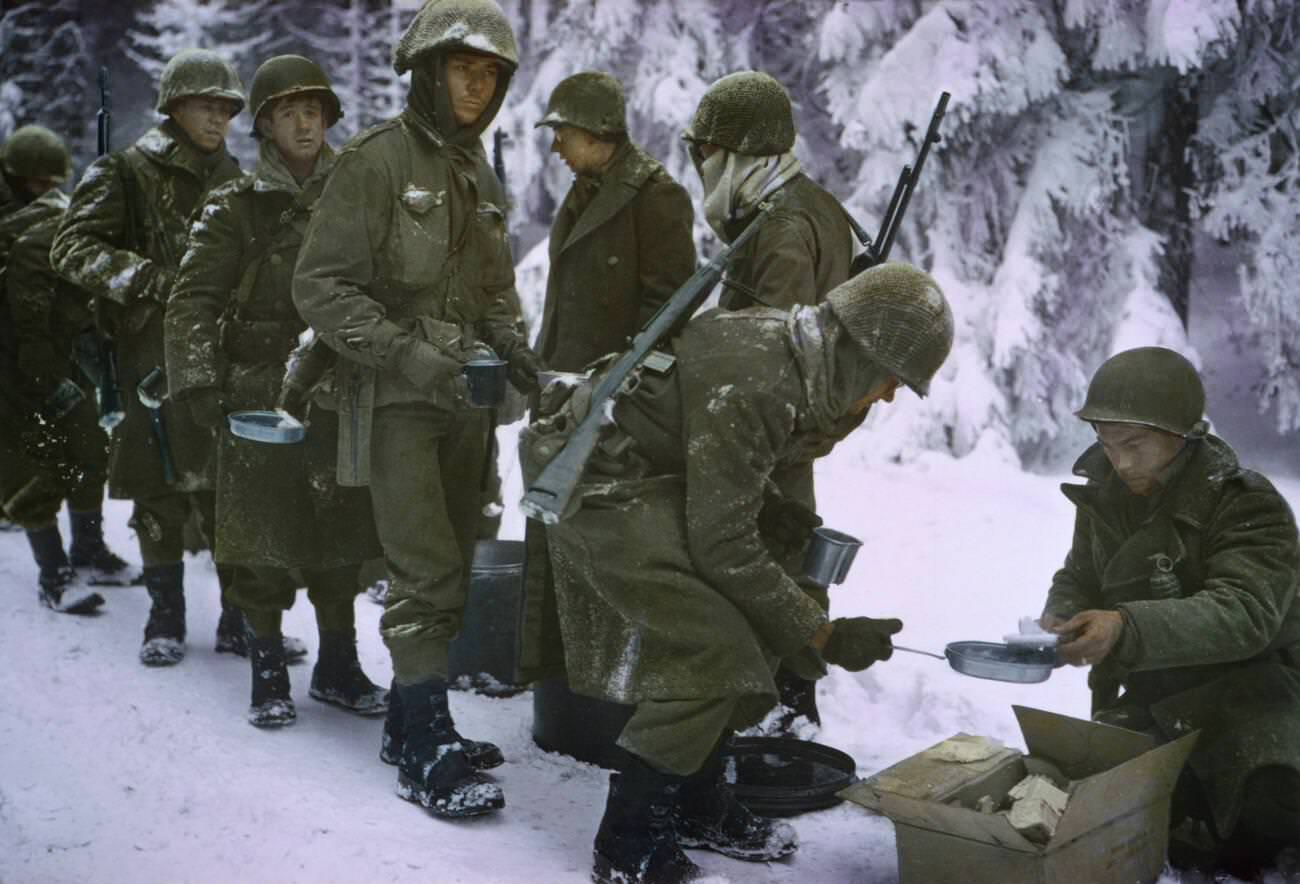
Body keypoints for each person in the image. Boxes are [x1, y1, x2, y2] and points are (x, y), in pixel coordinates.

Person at [525, 263, 953, 882]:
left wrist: (777, 513)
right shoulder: (763, 377)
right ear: (858, 351)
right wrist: (823, 635)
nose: (887, 395)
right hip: (596, 480)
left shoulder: (796, 355)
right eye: (890, 378)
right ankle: (629, 839)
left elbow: (712, 463)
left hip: (652, 470)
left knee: (751, 624)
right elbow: (722, 545)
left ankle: (697, 801)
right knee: (711, 646)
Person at [293, 0, 542, 819]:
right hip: (396, 396)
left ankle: (409, 719)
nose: (478, 85)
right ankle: (428, 739)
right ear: (429, 71)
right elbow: (321, 286)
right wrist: (405, 353)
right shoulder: (373, 161)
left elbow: (494, 288)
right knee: (424, 566)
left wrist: (518, 354)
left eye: (491, 73)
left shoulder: (480, 171)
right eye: (464, 68)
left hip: (468, 399)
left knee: (462, 555)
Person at [165, 55, 387, 728]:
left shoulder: (355, 192)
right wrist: (200, 383)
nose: (305, 124)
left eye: (314, 111)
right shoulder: (234, 204)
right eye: (289, 112)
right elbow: (192, 299)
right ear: (264, 125)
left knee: (342, 531)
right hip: (259, 391)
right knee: (260, 537)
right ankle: (266, 670)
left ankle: (340, 664)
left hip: (338, 384)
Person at [1040, 346, 1300, 879]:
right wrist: (1062, 612)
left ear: (1182, 435)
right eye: (1107, 445)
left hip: (1254, 691)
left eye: (1134, 445)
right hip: (1156, 694)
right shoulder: (1107, 494)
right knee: (1082, 798)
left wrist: (1126, 628)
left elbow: (1245, 614)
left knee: (1269, 801)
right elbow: (1081, 574)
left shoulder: (1246, 502)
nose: (1120, 462)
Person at [50, 49, 271, 666]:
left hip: (219, 360)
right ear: (174, 107)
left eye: (228, 110)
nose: (220, 120)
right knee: (157, 494)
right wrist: (146, 278)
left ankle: (237, 621)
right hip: (147, 356)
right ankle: (165, 618)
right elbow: (70, 249)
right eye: (208, 106)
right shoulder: (125, 173)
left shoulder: (237, 183)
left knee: (228, 493)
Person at [682, 69, 858, 732]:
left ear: (735, 154)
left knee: (765, 551)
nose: (700, 165)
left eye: (706, 152)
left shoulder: (782, 226)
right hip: (798, 418)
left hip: (775, 425)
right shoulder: (803, 202)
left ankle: (782, 697)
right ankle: (791, 689)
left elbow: (768, 351)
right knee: (788, 541)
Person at [0, 125, 132, 611]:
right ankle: (55, 577)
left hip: (58, 350)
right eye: (34, 184)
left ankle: (90, 549)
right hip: (9, 363)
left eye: (51, 183)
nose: (45, 192)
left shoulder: (58, 216)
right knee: (29, 466)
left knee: (88, 446)